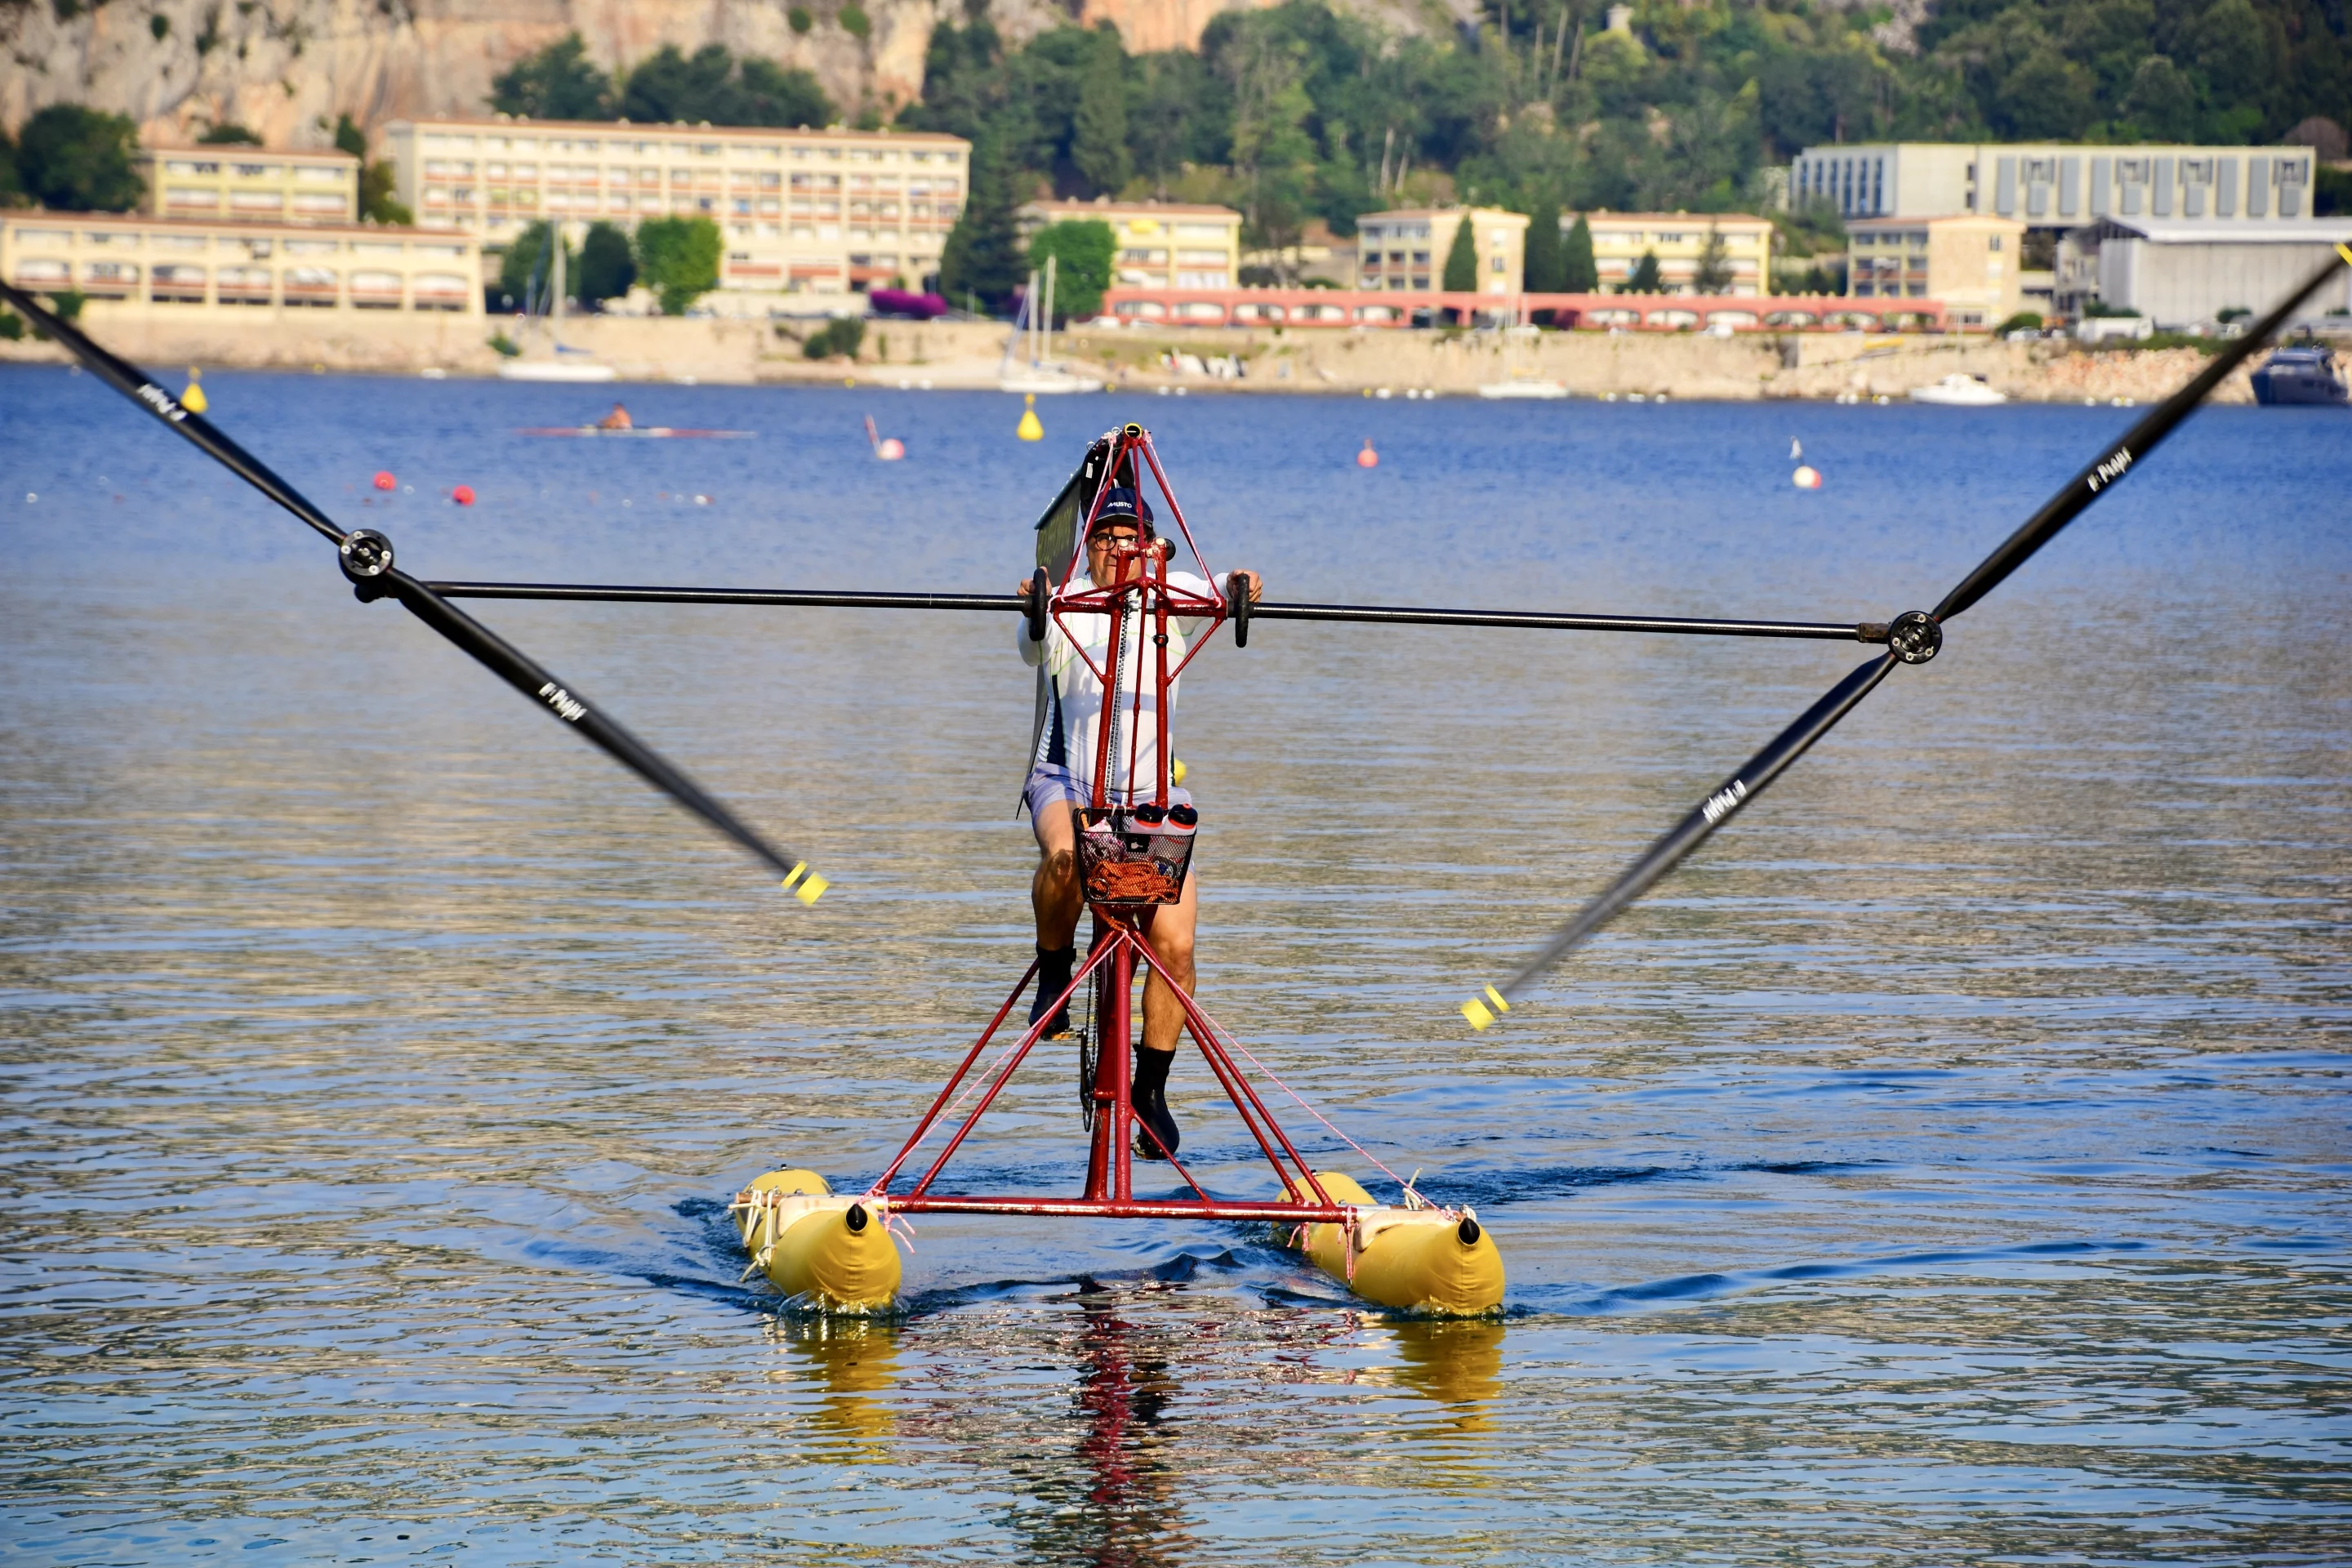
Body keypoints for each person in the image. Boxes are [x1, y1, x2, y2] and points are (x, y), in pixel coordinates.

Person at [1017, 488, 1261, 1159]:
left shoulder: (1169, 597)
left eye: (1132, 540)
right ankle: (1052, 979)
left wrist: (1241, 584)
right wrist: (1037, 603)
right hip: (1068, 783)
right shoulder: (1066, 599)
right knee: (1066, 860)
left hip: (1152, 795)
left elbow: (1220, 585)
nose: (1117, 550)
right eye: (1105, 539)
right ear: (1087, 548)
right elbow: (1032, 644)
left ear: (1152, 548)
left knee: (1176, 947)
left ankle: (1150, 1091)